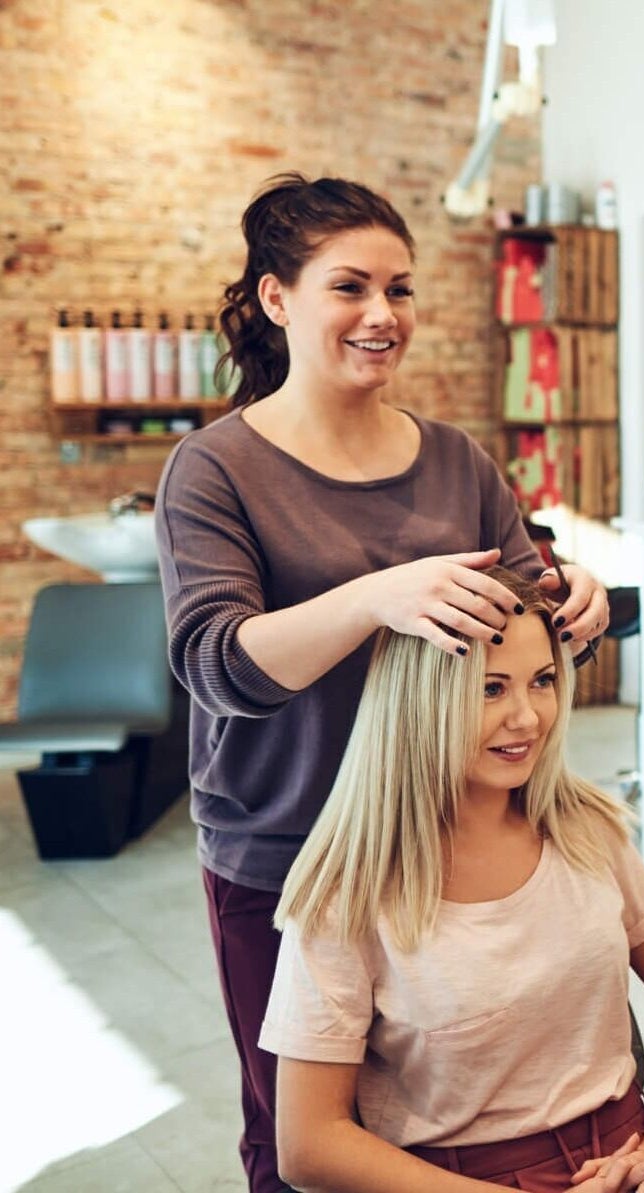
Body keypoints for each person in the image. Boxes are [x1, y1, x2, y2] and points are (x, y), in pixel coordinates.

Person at [156, 173, 610, 1193]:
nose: (382, 315)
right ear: (277, 297)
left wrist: (576, 602)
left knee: (441, 1118)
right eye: (350, 287)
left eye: (400, 290)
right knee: (304, 1136)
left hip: (449, 837)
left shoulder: (455, 460)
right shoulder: (215, 469)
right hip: (290, 854)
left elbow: (521, 615)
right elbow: (215, 663)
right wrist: (375, 597)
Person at [260, 568, 644, 1193]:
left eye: (543, 681)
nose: (528, 717)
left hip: (631, 1157)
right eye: (491, 689)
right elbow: (308, 1146)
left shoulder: (585, 829)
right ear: (420, 702)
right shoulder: (346, 897)